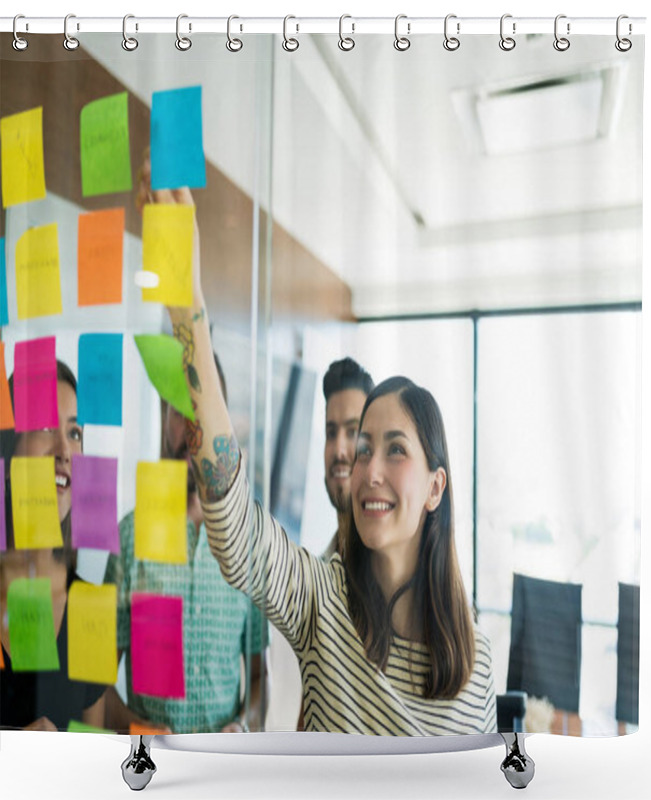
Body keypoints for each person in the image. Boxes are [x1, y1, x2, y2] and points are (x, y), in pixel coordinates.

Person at [142, 167, 496, 735]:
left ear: (436, 486)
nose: (367, 469)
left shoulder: (475, 663)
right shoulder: (322, 601)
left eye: (395, 449)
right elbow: (234, 526)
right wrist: (187, 304)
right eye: (361, 448)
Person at [103, 356, 269, 735]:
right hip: (151, 777)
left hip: (224, 777)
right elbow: (97, 686)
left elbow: (261, 677)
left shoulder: (247, 542)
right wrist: (140, 728)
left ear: (223, 424)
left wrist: (244, 725)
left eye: (205, 408)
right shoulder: (129, 538)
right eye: (178, 410)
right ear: (163, 419)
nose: (193, 425)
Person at [0, 361, 106, 731]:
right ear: (9, 451)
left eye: (74, 432)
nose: (64, 449)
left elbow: (94, 763)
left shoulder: (90, 608)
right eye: (46, 427)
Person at [321, 358, 374, 558]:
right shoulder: (315, 576)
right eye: (331, 433)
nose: (339, 451)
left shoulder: (393, 579)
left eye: (353, 432)